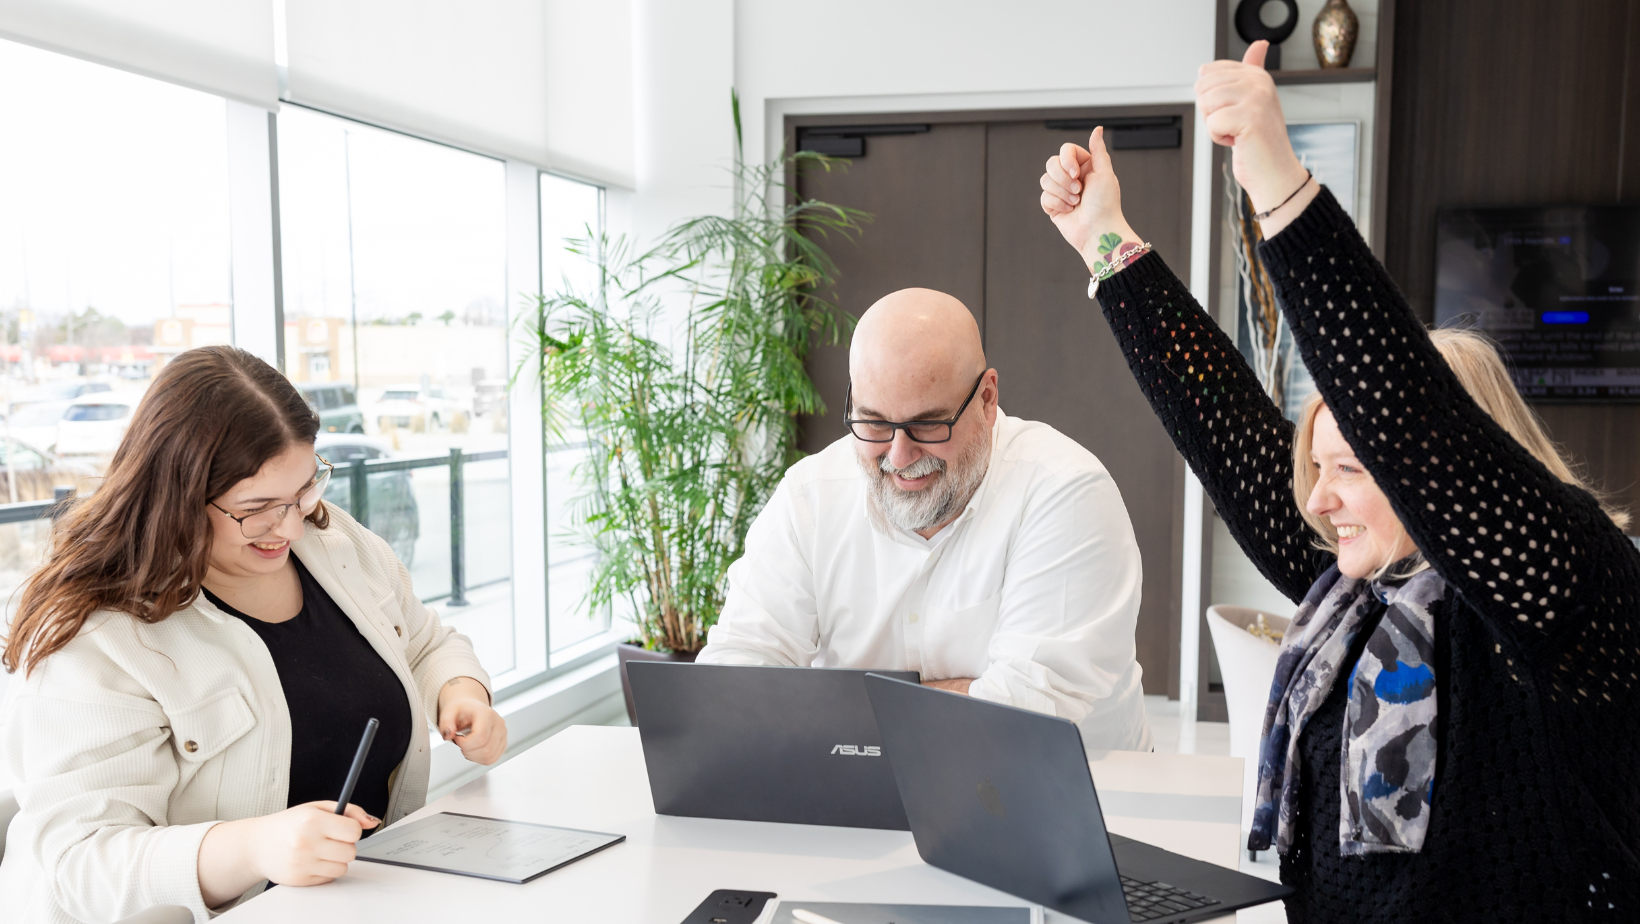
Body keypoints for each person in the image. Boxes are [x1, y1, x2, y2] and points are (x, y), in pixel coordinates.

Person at [1037, 40, 1640, 920]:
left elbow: (1405, 411)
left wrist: (1276, 181)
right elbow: (1226, 428)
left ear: (1429, 467)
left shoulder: (1564, 589)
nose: (1318, 503)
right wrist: (1104, 244)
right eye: (1317, 470)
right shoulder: (1366, 596)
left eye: (1351, 472)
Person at [0, 346, 508, 922]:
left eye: (304, 491)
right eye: (258, 507)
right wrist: (251, 849)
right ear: (178, 497)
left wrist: (461, 691)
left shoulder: (332, 542)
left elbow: (425, 642)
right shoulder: (98, 635)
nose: (292, 525)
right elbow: (83, 865)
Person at [698, 287, 1152, 750]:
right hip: (868, 790)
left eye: (928, 424)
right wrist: (967, 692)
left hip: (1083, 796)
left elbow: (1028, 720)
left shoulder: (1065, 491)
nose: (899, 454)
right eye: (874, 423)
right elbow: (734, 680)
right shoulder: (810, 496)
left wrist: (829, 712)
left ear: (987, 400)